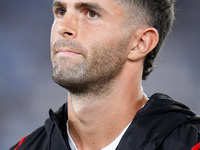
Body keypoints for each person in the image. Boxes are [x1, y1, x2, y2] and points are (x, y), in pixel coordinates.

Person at [10, 0, 200, 149]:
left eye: (91, 13)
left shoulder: (191, 143)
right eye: (61, 11)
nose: (63, 27)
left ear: (140, 43)